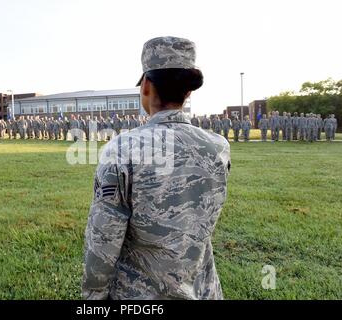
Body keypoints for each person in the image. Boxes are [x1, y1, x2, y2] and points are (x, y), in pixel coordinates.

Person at [82, 36, 231, 300]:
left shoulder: (122, 149)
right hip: (201, 288)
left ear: (147, 85)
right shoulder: (218, 147)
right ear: (188, 91)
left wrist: (94, 296)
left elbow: (104, 239)